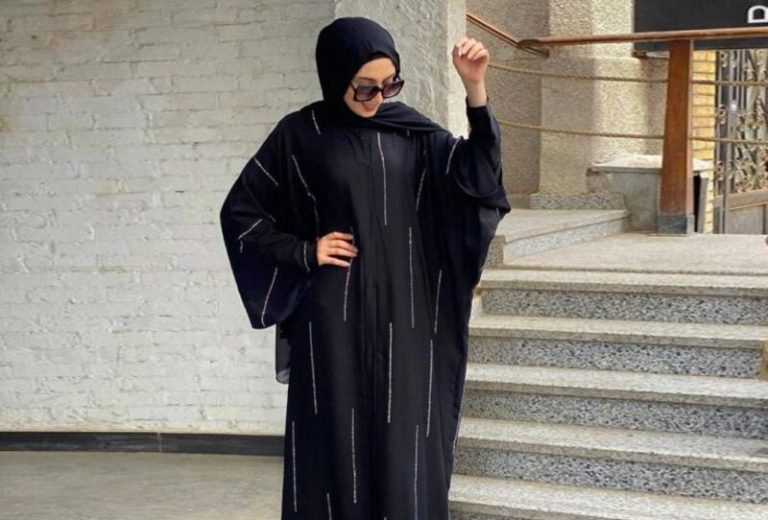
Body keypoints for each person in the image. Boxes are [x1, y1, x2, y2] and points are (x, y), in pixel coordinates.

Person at [219, 16, 510, 520]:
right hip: (333, 318)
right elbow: (241, 214)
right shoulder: (300, 134)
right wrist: (304, 251)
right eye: (365, 87)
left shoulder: (412, 132)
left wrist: (475, 89)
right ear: (335, 77)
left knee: (407, 443)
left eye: (389, 84)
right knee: (335, 442)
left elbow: (478, 180)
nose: (378, 96)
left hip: (409, 314)